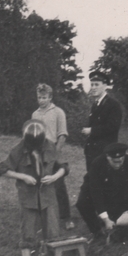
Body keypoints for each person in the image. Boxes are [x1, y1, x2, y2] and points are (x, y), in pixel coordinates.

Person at [0, 120, 68, 256]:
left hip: (48, 196)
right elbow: (2, 170)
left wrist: (54, 177)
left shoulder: (50, 146)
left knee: (52, 231)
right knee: (27, 232)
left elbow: (64, 167)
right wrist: (23, 177)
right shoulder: (18, 150)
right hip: (28, 197)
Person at [76, 143, 128, 243]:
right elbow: (96, 192)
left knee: (125, 200)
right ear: (107, 157)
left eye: (121, 161)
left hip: (117, 187)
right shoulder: (97, 164)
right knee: (83, 203)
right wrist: (106, 219)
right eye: (115, 162)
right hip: (93, 187)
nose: (118, 164)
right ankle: (97, 232)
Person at [32, 83, 74, 230]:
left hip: (53, 150)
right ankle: (42, 218)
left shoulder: (58, 112)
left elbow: (62, 135)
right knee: (41, 184)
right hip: (40, 152)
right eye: (39, 97)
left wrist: (55, 154)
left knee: (59, 184)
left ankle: (66, 218)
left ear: (50, 97)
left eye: (44, 97)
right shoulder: (35, 114)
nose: (41, 100)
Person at [81, 71, 123, 171]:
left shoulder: (113, 105)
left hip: (105, 152)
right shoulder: (95, 105)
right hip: (92, 152)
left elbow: (112, 127)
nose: (93, 87)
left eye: (97, 84)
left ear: (105, 86)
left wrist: (92, 131)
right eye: (92, 85)